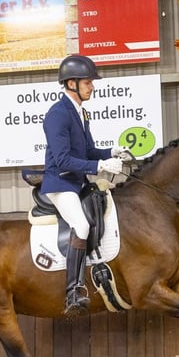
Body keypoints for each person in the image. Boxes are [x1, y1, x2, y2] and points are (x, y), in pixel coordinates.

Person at [41, 54, 132, 317]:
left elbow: (88, 150)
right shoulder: (58, 115)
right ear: (71, 83)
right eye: (88, 82)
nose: (92, 86)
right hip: (60, 183)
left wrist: (111, 152)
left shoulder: (80, 112)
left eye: (92, 82)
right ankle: (73, 290)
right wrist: (100, 167)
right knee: (80, 225)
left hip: (76, 181)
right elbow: (63, 160)